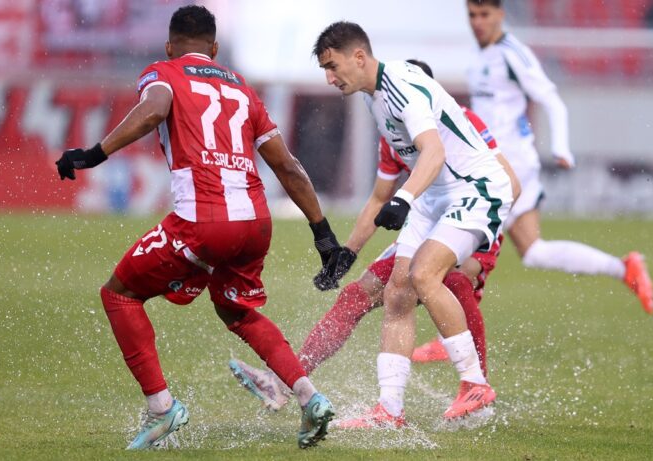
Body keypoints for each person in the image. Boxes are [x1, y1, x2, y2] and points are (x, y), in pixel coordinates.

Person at [54, 5, 341, 450]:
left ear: (170, 46)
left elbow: (153, 111)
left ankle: (162, 408)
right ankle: (309, 397)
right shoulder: (241, 88)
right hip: (255, 223)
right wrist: (323, 233)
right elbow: (287, 165)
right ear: (215, 48)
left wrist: (93, 154)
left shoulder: (163, 72)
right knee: (235, 309)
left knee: (119, 294)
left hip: (204, 221)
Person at [226, 60, 507, 428]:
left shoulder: (462, 123)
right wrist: (348, 253)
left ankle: (476, 388)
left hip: (471, 216)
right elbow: (378, 197)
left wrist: (481, 252)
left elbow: (507, 182)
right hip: (430, 219)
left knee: (453, 280)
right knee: (361, 294)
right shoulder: (393, 133)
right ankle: (292, 384)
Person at [312, 22, 520, 424]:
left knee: (425, 275)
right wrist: (348, 252)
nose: (329, 78)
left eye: (332, 66)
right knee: (398, 292)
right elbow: (389, 187)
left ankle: (475, 383)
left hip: (474, 187)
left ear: (359, 56)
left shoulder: (401, 85)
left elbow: (434, 151)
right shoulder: (372, 98)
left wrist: (403, 199)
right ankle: (389, 409)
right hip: (435, 197)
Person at [464, 0, 653, 316]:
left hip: (509, 166)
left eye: (485, 15)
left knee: (463, 246)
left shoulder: (513, 54)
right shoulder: (479, 54)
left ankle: (455, 335)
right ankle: (624, 268)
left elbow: (553, 102)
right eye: (472, 15)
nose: (478, 22)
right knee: (534, 251)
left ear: (500, 14)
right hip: (496, 163)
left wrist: (561, 147)